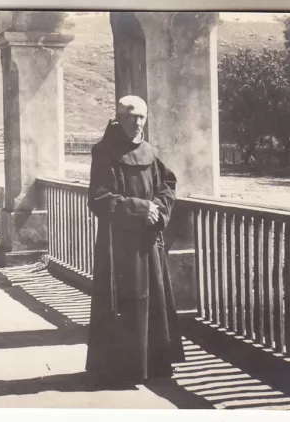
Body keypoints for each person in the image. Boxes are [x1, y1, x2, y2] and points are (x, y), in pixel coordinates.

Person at [85, 95, 184, 386]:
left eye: (141, 116)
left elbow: (168, 186)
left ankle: (154, 365)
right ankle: (122, 369)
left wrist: (158, 209)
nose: (137, 122)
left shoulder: (150, 152)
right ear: (119, 118)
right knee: (124, 303)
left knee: (153, 300)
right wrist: (141, 209)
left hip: (148, 241)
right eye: (131, 116)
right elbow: (99, 198)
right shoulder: (104, 152)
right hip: (118, 246)